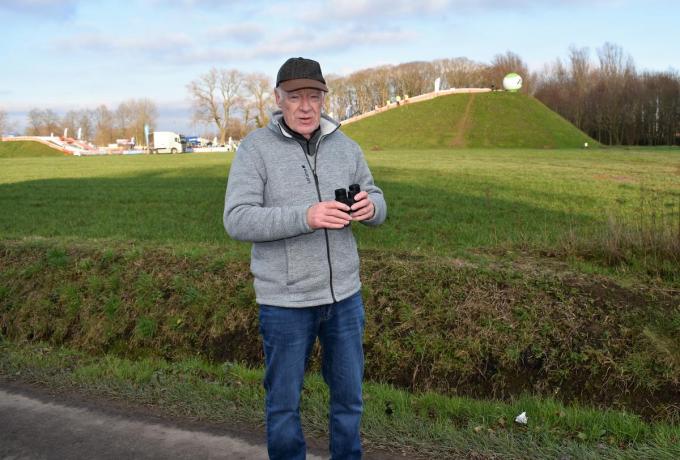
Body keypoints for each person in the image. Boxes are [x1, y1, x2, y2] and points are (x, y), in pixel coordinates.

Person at [224, 57, 387, 460]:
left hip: (345, 298)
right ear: (278, 99)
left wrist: (372, 208)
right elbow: (237, 219)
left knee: (349, 400)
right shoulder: (255, 149)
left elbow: (376, 196)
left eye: (314, 96)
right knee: (283, 404)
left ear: (323, 99)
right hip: (285, 302)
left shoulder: (346, 146)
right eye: (295, 96)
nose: (305, 106)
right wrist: (306, 217)